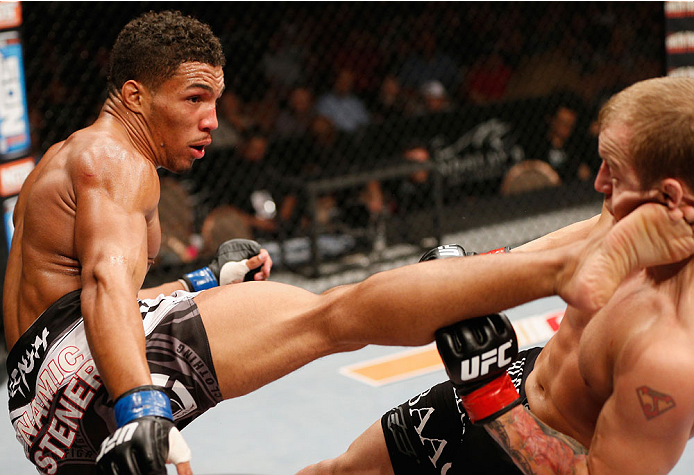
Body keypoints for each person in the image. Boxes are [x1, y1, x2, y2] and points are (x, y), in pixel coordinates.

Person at [4, 11, 693, 475]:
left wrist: (201, 287)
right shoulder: (116, 160)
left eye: (215, 100)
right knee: (334, 313)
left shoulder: (75, 158)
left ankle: (542, 264)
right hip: (86, 369)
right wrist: (140, 406)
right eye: (192, 99)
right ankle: (553, 265)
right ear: (132, 94)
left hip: (42, 396)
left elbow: (103, 297)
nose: (213, 120)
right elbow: (102, 286)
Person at [296, 76, 694, 475]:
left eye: (615, 171)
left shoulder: (672, 356)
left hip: (545, 451)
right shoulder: (634, 207)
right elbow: (589, 232)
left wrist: (488, 393)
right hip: (519, 379)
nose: (598, 181)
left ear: (671, 196)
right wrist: (478, 270)